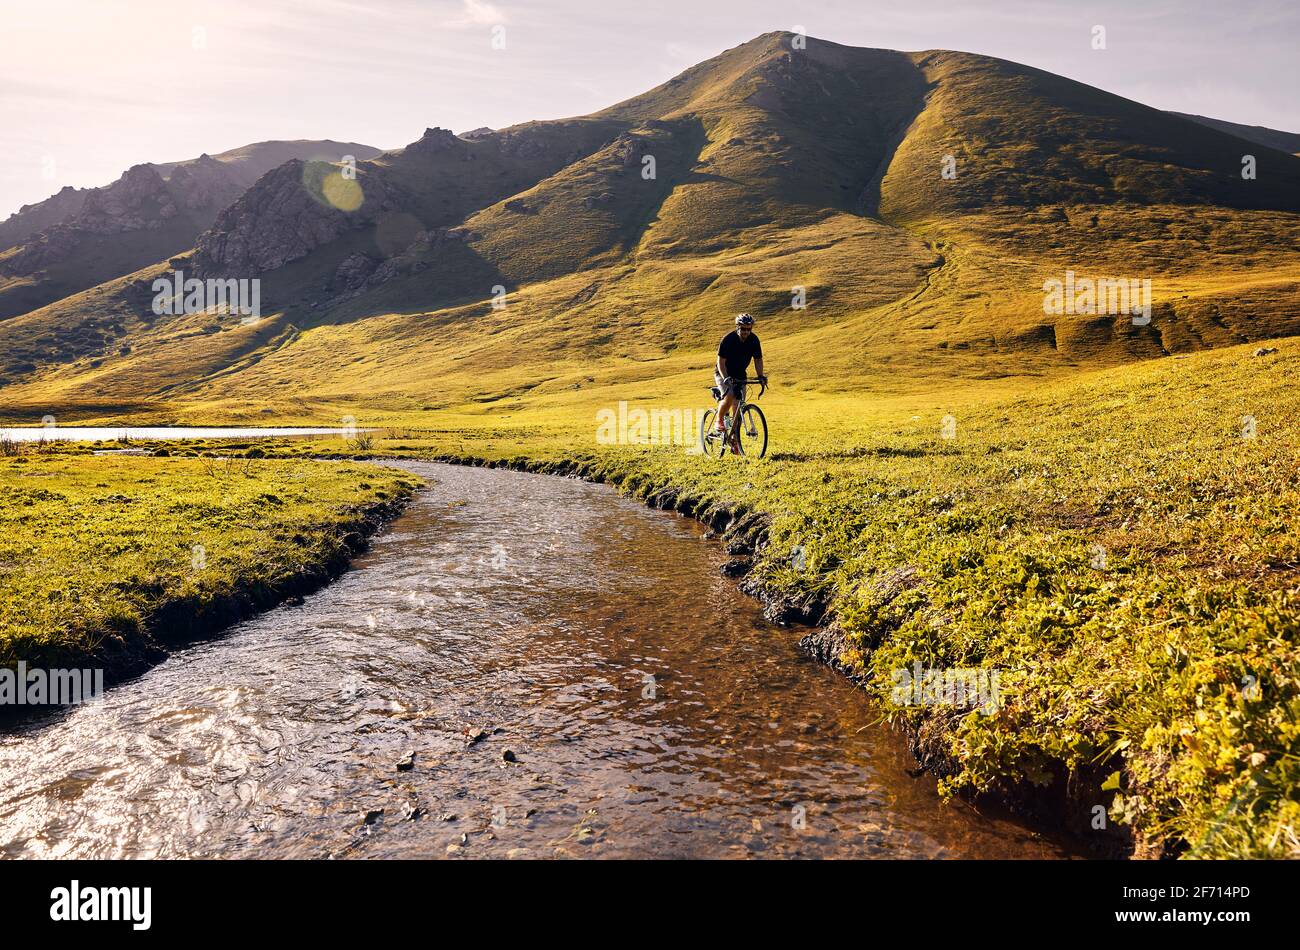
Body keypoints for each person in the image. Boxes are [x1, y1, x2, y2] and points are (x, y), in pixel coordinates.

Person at [713, 313, 765, 452]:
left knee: (738, 406)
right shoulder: (728, 339)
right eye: (743, 329)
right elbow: (721, 362)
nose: (746, 332)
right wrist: (725, 377)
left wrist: (760, 376)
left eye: (749, 329)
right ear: (738, 327)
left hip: (740, 374)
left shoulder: (754, 340)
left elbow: (758, 359)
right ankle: (719, 420)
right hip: (723, 372)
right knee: (730, 395)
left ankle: (734, 439)